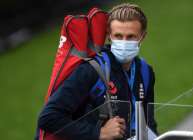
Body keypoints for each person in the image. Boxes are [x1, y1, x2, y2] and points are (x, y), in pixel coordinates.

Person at [37, 3, 157, 140]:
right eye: (118, 36)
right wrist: (99, 133)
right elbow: (48, 117)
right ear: (109, 36)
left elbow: (149, 123)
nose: (124, 42)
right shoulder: (92, 69)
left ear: (143, 37)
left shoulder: (146, 72)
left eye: (130, 37)